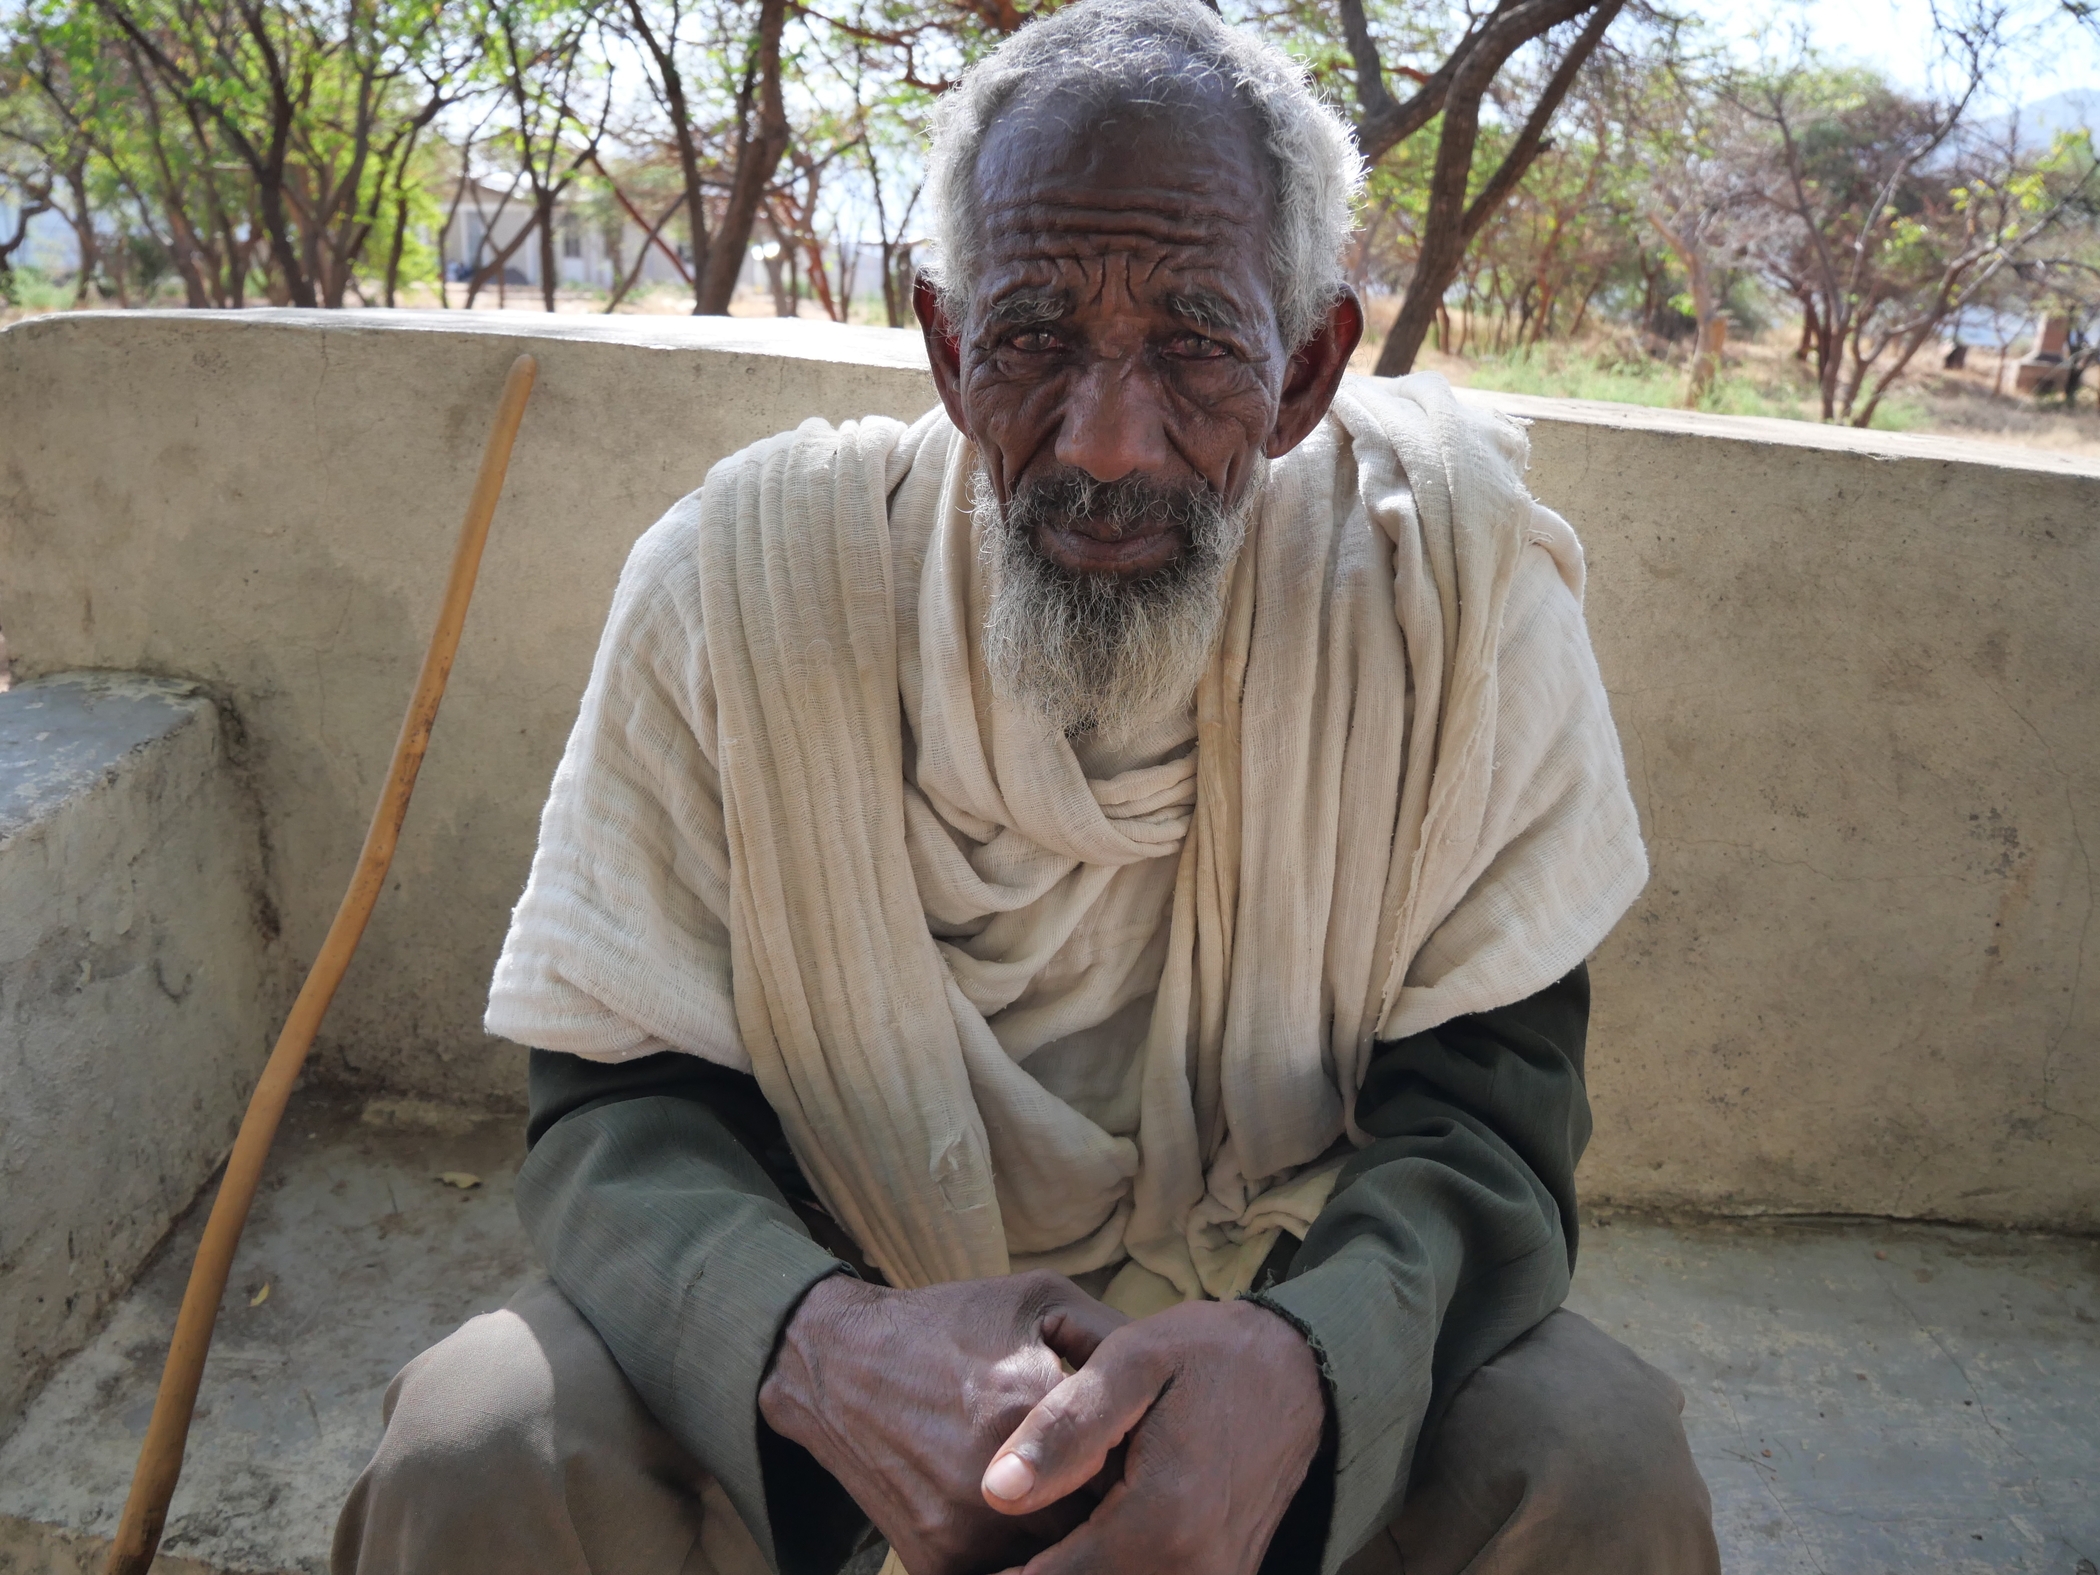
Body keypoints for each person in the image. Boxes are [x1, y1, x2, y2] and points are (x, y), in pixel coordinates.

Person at [332, 3, 1720, 1572]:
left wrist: (1308, 1369)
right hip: (835, 1310)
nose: (1108, 442)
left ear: (1311, 363)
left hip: (1295, 1292)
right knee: (477, 1439)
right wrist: (816, 1340)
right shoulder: (742, 583)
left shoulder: (1443, 590)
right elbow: (614, 1108)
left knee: (1595, 1460)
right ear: (942, 342)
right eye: (1033, 336)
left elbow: (1488, 1122)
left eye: (1196, 340)